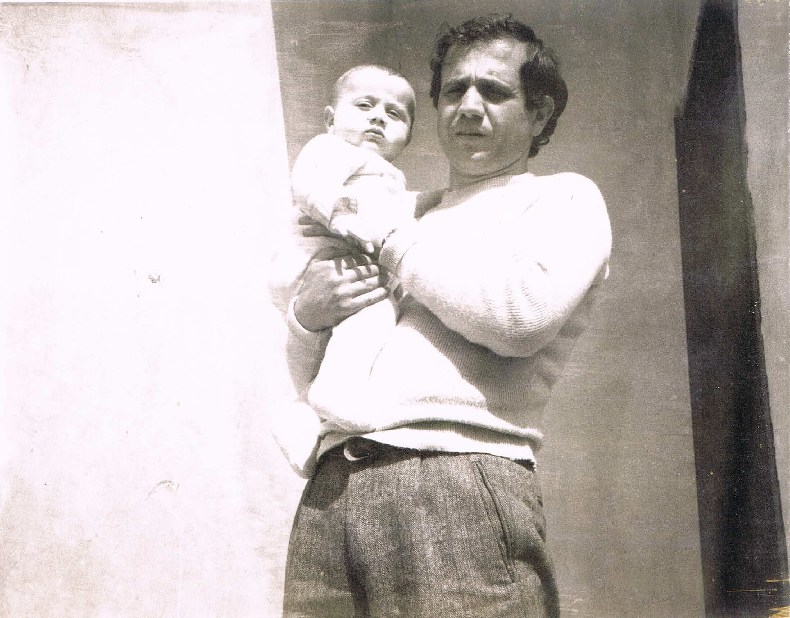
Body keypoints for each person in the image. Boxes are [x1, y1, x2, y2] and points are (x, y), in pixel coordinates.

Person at [276, 14, 612, 618]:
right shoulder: (398, 208)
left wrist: (386, 236)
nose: (469, 107)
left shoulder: (561, 197)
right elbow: (309, 372)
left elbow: (520, 314)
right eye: (455, 90)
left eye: (495, 91)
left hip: (453, 480)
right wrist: (308, 316)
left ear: (538, 114)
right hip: (332, 487)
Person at [269, 64, 430, 475]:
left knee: (347, 338)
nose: (378, 118)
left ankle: (302, 416)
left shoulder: (386, 176)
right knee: (376, 314)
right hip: (318, 258)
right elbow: (309, 182)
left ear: (408, 137)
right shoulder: (331, 149)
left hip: (334, 265)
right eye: (364, 105)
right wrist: (338, 214)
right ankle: (335, 392)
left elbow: (408, 208)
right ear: (330, 119)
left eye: (394, 114)